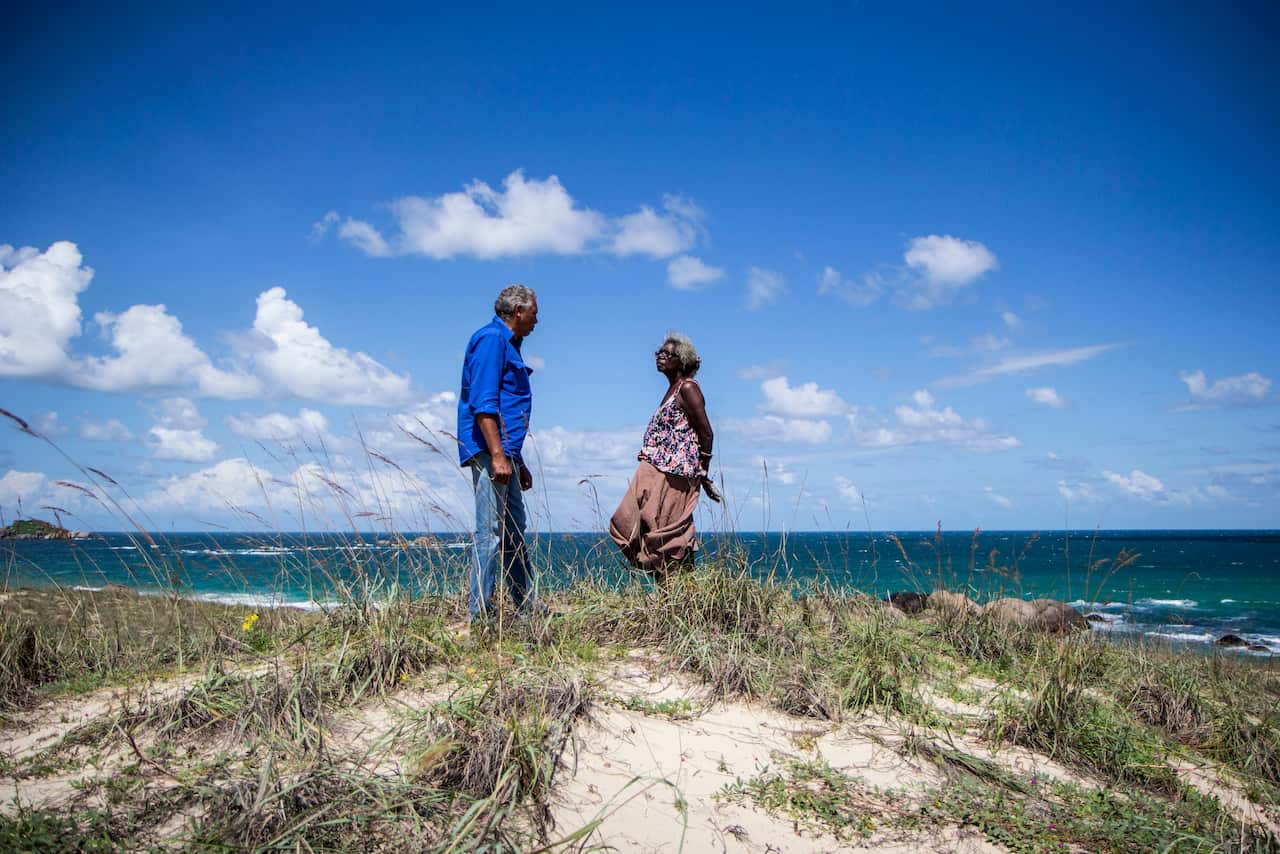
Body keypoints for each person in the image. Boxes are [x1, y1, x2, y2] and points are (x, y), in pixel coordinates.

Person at [457, 284, 541, 622]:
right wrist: (496, 455)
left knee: (513, 531)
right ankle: (481, 614)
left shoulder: (508, 344)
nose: (537, 319)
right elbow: (485, 404)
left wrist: (515, 460)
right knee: (490, 532)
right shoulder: (492, 340)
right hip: (491, 452)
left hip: (504, 454)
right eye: (534, 311)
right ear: (518, 311)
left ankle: (524, 604)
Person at [609, 332, 720, 582]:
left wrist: (702, 471)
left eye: (667, 354)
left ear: (681, 361)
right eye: (658, 352)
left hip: (676, 475)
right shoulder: (672, 390)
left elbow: (706, 432)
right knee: (635, 525)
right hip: (658, 472)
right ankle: (673, 597)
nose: (660, 356)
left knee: (670, 536)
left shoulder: (688, 388)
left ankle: (680, 598)